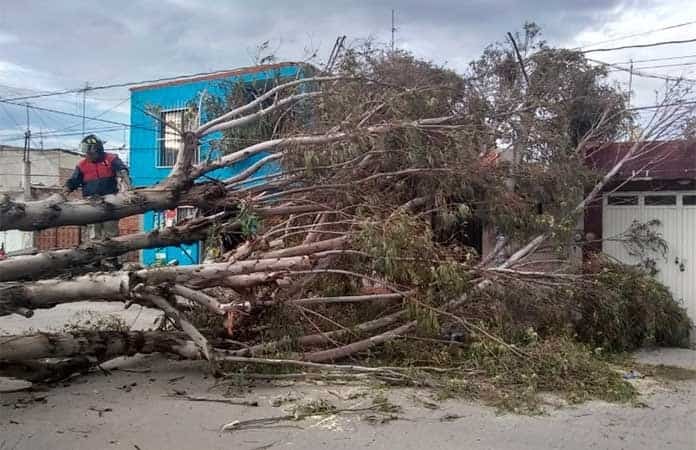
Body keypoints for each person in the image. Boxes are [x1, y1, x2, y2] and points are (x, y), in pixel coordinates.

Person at [63, 134, 132, 243]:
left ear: (98, 150)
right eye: (86, 153)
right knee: (94, 235)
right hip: (91, 202)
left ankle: (111, 258)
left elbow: (123, 170)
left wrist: (129, 186)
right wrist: (65, 191)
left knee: (111, 233)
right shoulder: (82, 165)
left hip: (110, 201)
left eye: (90, 153)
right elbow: (74, 181)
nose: (88, 155)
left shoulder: (111, 159)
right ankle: (95, 259)